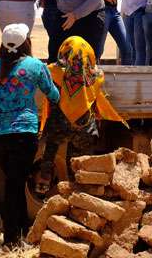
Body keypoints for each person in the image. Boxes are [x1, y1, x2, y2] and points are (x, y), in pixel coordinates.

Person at [0, 23, 59, 246]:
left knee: (13, 182)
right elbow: (53, 94)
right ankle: (12, 239)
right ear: (25, 43)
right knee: (15, 185)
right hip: (23, 133)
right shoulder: (34, 66)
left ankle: (18, 232)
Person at [36, 36, 124, 193]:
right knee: (78, 163)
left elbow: (49, 70)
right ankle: (78, 194)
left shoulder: (54, 71)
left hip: (58, 124)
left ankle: (43, 180)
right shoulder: (96, 75)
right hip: (83, 125)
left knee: (50, 149)